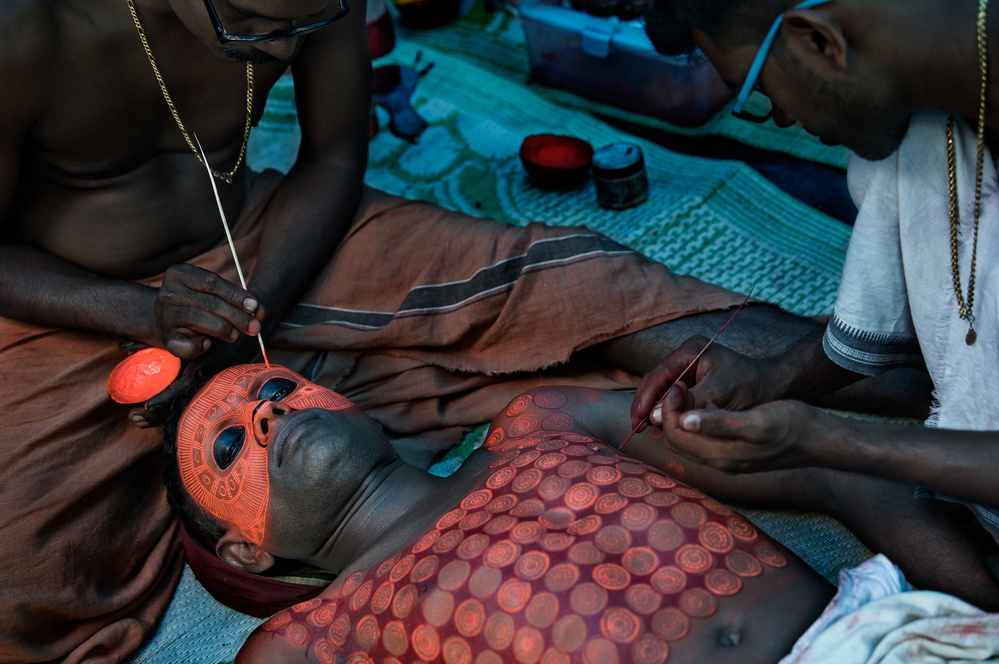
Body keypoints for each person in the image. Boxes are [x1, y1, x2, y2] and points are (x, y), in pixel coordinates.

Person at [1, 0, 908, 661]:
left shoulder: (308, 3)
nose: (276, 49)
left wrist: (254, 306)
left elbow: (333, 156)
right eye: (249, 26)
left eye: (300, 27)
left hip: (271, 248)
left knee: (570, 282)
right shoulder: (23, 30)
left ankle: (877, 363)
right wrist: (134, 314)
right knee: (24, 560)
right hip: (77, 306)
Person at [164, 364, 999, 663]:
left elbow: (825, 474)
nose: (266, 415)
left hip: (889, 639)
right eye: (230, 448)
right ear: (246, 555)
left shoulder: (542, 422)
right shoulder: (309, 640)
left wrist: (979, 602)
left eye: (271, 388)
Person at [634, 0, 999, 568]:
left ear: (818, 41)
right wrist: (772, 377)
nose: (778, 116)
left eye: (755, 87)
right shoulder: (921, 108)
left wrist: (831, 442)